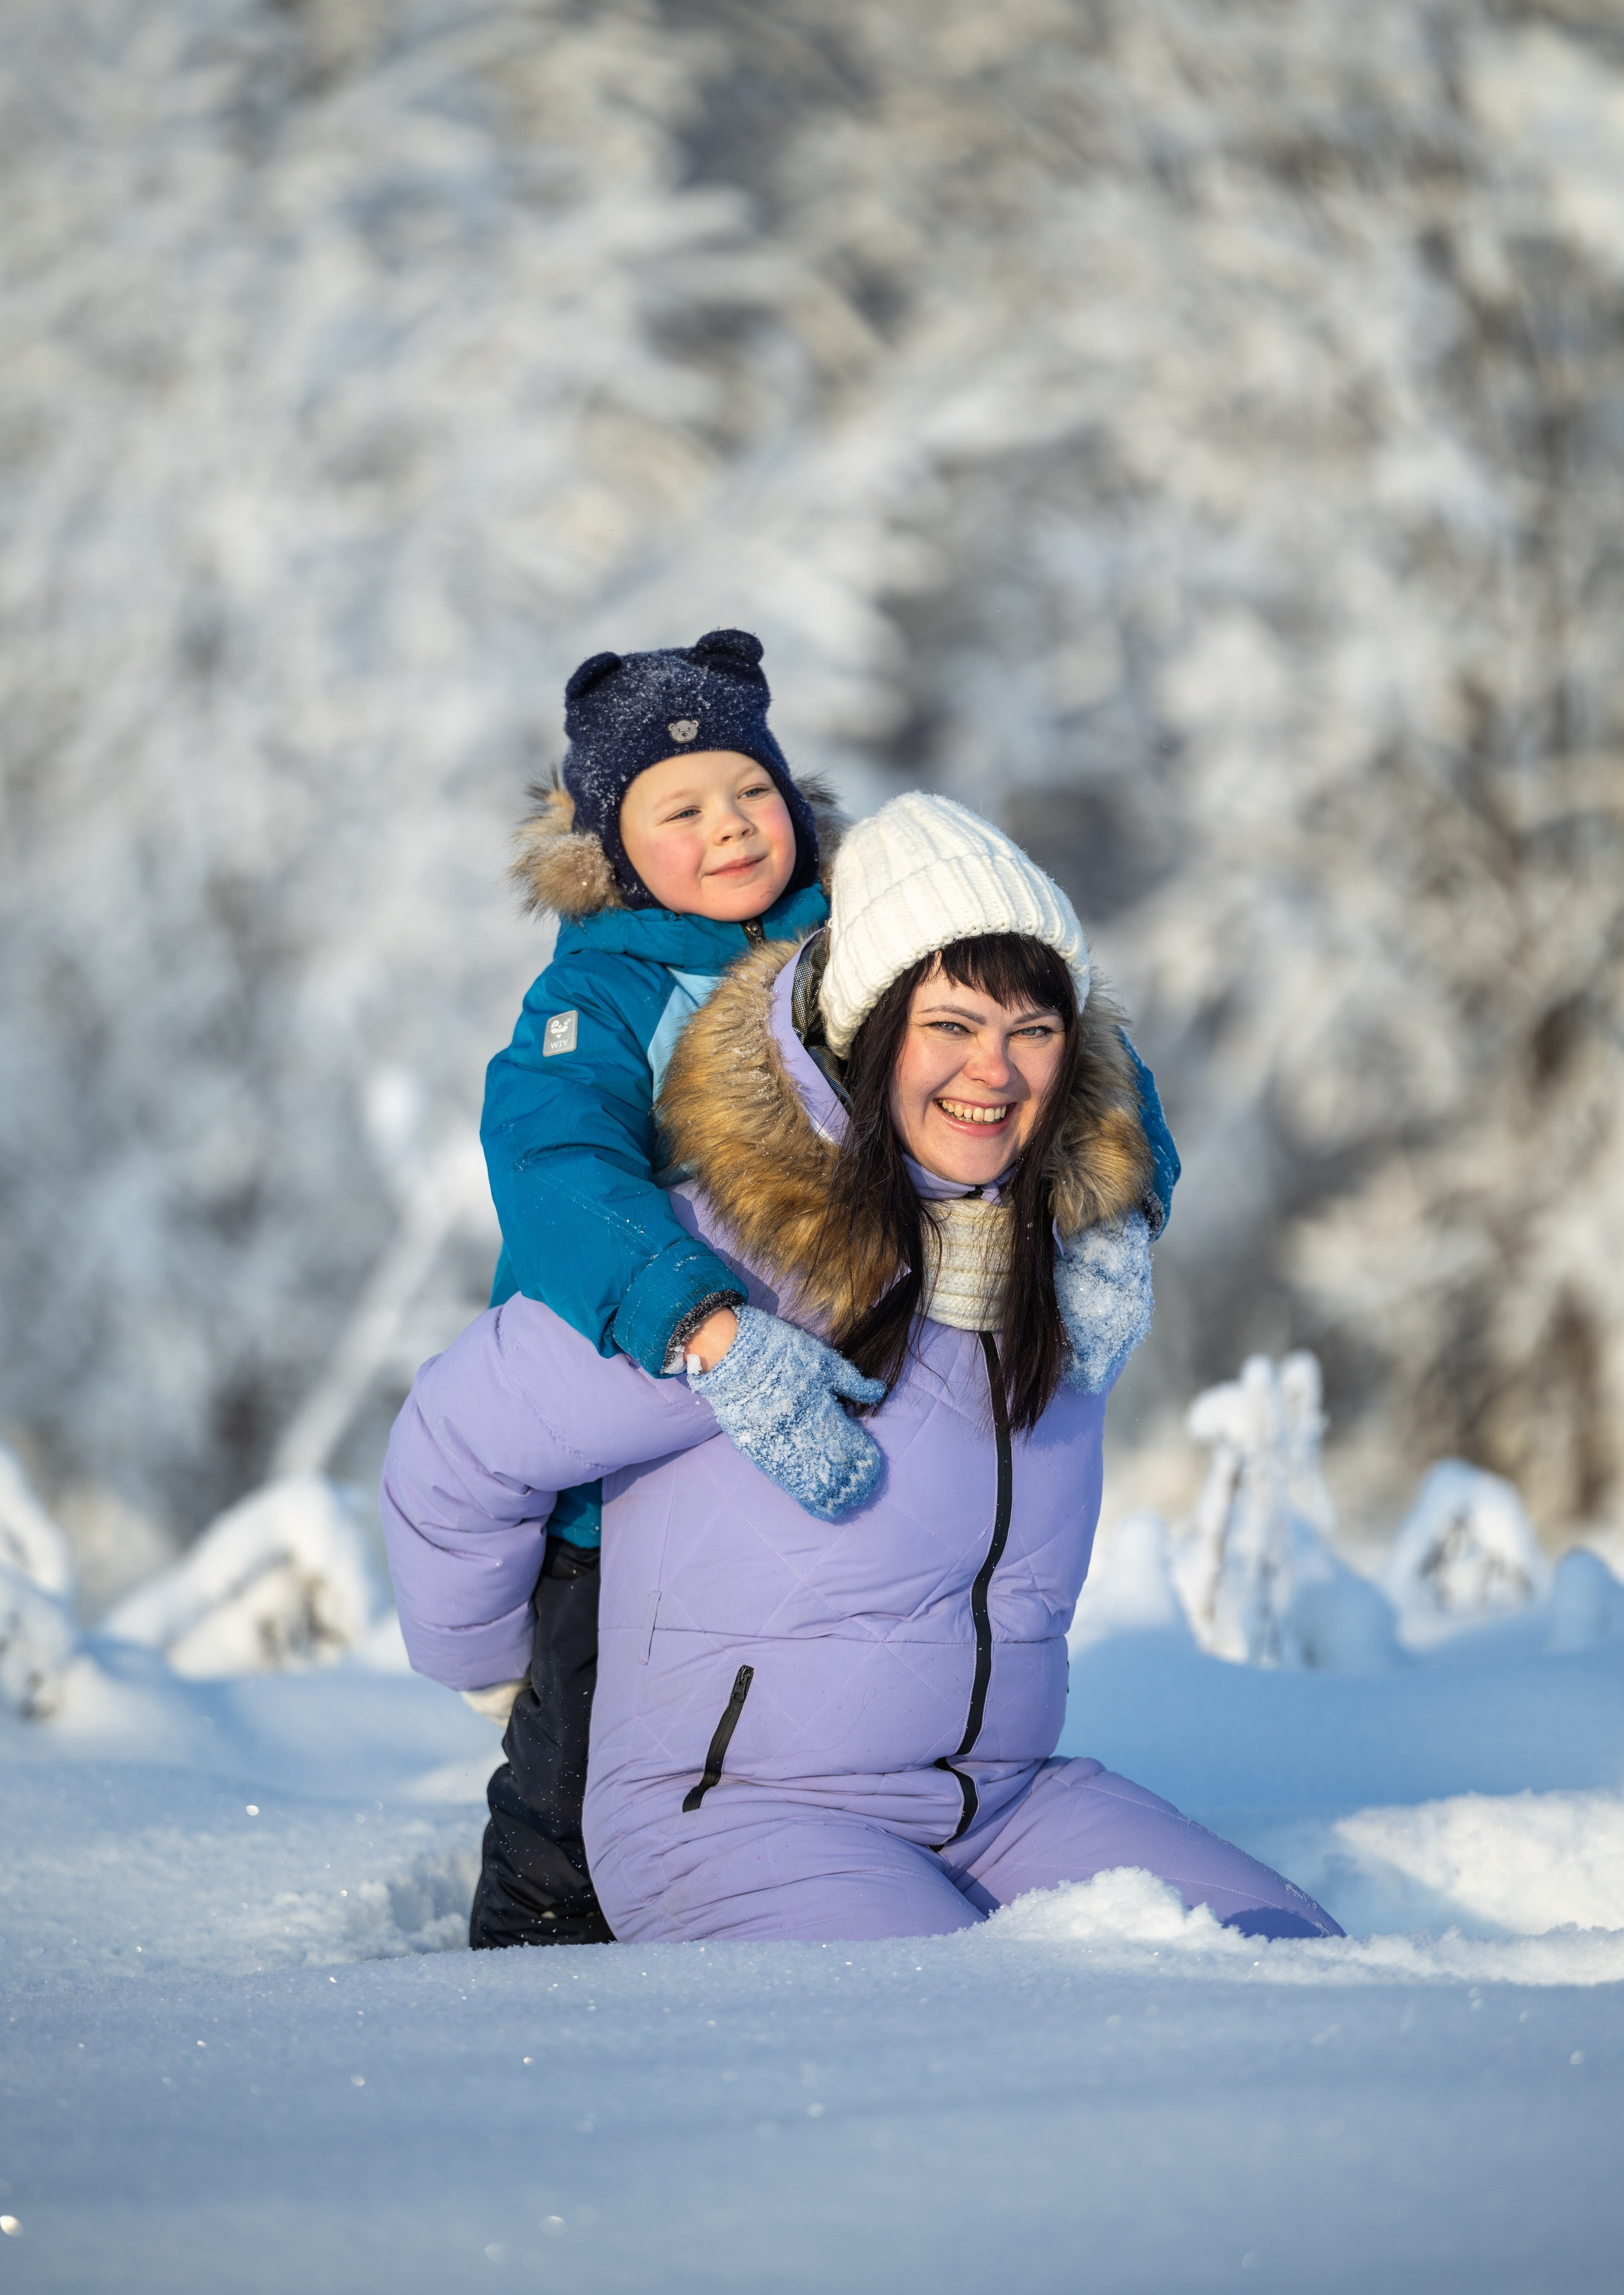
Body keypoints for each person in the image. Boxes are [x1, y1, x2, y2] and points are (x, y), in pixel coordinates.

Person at [385, 795, 1339, 1946]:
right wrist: (503, 1672)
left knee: (1293, 1965)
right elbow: (453, 1438)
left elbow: (1120, 1121)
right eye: (951, 1023)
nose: (994, 1070)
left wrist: (1117, 1216)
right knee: (953, 2050)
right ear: (871, 1028)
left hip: (999, 1803)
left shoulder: (1058, 1266)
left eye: (1034, 1029)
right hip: (737, 1819)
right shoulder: (729, 1262)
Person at [466, 631, 1179, 1945]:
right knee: (575, 1764)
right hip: (632, 1410)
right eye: (678, 810)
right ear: (616, 847)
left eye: (751, 793)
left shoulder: (866, 934)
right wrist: (700, 1319)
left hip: (836, 1392)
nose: (730, 828)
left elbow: (1079, 1050)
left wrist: (1111, 1215)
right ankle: (532, 1977)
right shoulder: (597, 998)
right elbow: (558, 1169)